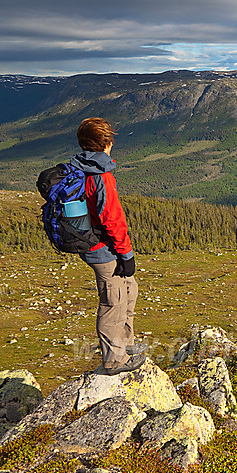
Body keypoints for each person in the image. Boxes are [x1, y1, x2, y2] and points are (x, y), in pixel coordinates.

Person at [70, 117, 146, 375]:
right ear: (106, 143)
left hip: (100, 245)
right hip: (102, 249)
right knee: (112, 301)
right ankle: (114, 361)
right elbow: (112, 219)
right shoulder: (100, 175)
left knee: (129, 289)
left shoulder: (81, 167)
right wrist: (127, 254)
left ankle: (126, 345)